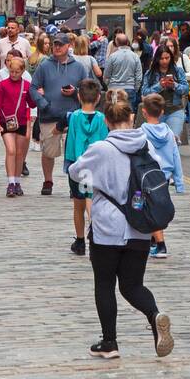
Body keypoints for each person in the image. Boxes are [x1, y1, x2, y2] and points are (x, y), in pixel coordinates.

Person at [68, 91, 174, 361]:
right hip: (139, 223)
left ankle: (110, 341)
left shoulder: (101, 149)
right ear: (130, 117)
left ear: (106, 121)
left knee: (104, 283)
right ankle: (154, 314)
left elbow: (76, 172)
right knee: (132, 285)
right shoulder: (144, 145)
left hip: (107, 226)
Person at [29, 33, 92, 197]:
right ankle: (48, 180)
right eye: (55, 44)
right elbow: (33, 87)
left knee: (75, 152)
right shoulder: (44, 66)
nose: (57, 47)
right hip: (49, 115)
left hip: (73, 116)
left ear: (68, 46)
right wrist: (42, 103)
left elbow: (88, 89)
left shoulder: (78, 67)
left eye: (60, 45)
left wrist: (75, 92)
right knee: (48, 152)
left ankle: (74, 183)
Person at [64, 77, 109, 255]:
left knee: (78, 205)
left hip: (79, 165)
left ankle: (80, 241)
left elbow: (71, 142)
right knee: (95, 199)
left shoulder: (74, 117)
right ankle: (98, 233)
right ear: (98, 97)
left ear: (79, 97)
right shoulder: (101, 118)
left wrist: (70, 164)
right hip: (97, 166)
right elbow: (106, 140)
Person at [138, 93, 183, 259]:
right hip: (163, 177)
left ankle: (160, 244)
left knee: (144, 208)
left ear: (144, 112)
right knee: (153, 207)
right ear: (162, 112)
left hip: (145, 177)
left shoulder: (141, 132)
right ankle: (150, 241)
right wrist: (178, 182)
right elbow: (176, 156)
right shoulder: (169, 132)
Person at [0, 53, 34, 197]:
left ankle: (17, 181)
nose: (14, 74)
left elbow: (32, 103)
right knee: (11, 150)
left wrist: (38, 94)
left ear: (23, 71)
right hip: (6, 122)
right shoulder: (3, 85)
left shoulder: (27, 85)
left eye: (17, 72)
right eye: (12, 71)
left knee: (19, 153)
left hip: (21, 121)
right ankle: (10, 182)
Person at [141, 44, 187, 144]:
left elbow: (185, 89)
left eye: (167, 58)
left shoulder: (178, 71)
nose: (165, 61)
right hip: (155, 111)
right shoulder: (150, 73)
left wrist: (174, 85)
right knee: (157, 142)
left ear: (171, 57)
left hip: (175, 110)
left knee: (173, 140)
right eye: (161, 58)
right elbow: (144, 92)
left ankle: (173, 159)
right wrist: (159, 85)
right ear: (157, 59)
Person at [100, 31, 142, 110]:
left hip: (114, 89)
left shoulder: (112, 57)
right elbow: (139, 76)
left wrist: (109, 86)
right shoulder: (135, 56)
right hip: (130, 88)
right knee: (129, 114)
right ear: (127, 42)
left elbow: (106, 75)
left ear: (116, 42)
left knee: (114, 114)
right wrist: (135, 88)